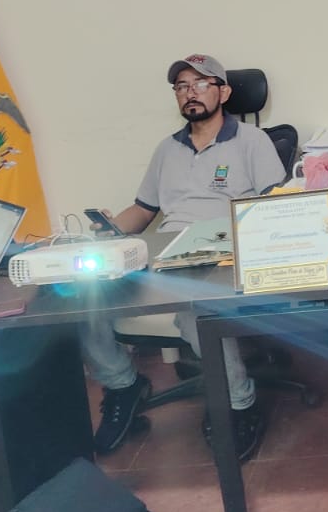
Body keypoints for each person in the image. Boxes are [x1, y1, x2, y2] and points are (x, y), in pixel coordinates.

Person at [81, 53, 286, 461]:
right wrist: (112, 230)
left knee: (196, 310)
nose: (190, 93)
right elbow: (143, 210)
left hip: (225, 252)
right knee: (83, 297)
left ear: (223, 92)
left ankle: (238, 404)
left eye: (201, 84)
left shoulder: (252, 142)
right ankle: (124, 385)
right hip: (166, 253)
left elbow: (274, 206)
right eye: (181, 86)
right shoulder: (167, 149)